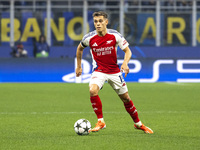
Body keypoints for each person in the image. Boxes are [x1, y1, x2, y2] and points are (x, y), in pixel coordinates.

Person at [76, 11, 153, 134]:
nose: (98, 24)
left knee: (126, 98)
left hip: (114, 72)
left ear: (106, 22)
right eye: (96, 21)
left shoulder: (115, 35)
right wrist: (79, 66)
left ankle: (138, 124)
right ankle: (100, 121)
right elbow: (79, 48)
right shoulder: (89, 38)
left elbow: (128, 51)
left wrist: (125, 63)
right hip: (99, 71)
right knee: (92, 90)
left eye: (101, 21)